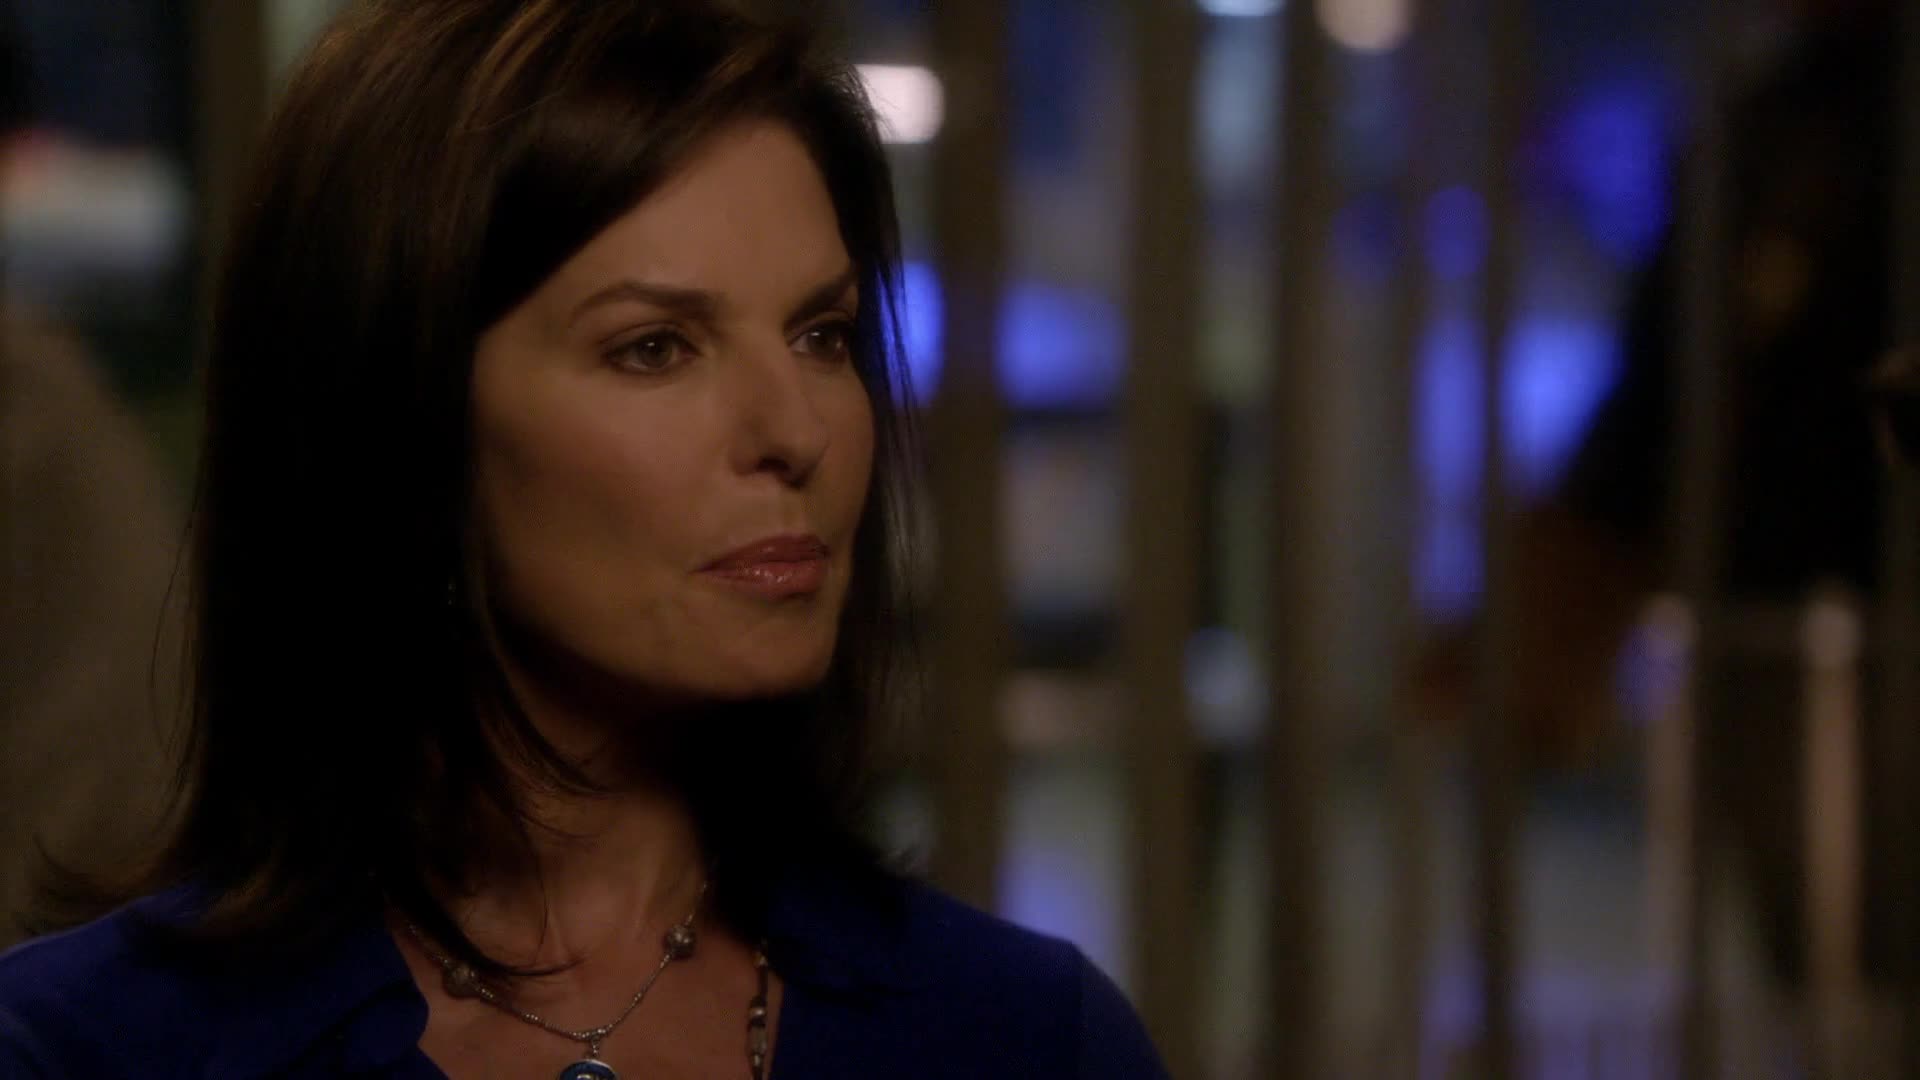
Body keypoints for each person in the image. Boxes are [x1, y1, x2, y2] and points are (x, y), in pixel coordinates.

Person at [0, 2, 1169, 1077]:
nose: (796, 432)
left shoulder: (1024, 1038)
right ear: (403, 414)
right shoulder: (84, 1051)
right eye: (655, 347)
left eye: (820, 334)